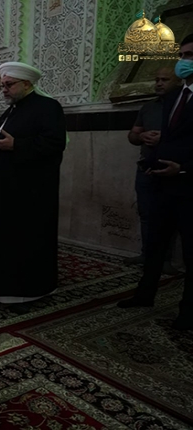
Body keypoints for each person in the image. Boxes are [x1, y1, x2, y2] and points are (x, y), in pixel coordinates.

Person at [0, 61, 67, 311]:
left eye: (9, 85)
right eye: (3, 85)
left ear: (27, 84)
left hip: (28, 195)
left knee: (22, 244)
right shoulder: (13, 110)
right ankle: (0, 288)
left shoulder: (48, 107)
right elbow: (3, 144)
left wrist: (17, 146)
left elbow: (54, 144)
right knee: (3, 243)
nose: (4, 90)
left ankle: (23, 294)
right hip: (5, 192)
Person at [118, 34, 193, 330]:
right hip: (163, 183)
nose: (184, 61)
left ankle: (188, 312)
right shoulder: (173, 98)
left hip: (188, 184)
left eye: (190, 55)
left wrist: (184, 168)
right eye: (182, 55)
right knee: (155, 244)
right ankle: (144, 294)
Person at [125, 67, 180, 275]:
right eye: (157, 79)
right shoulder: (148, 107)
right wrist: (141, 136)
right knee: (146, 213)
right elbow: (133, 135)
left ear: (178, 82)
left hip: (171, 169)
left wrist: (164, 139)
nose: (159, 83)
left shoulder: (183, 107)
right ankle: (147, 254)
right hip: (147, 168)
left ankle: (164, 259)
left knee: (169, 216)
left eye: (164, 80)